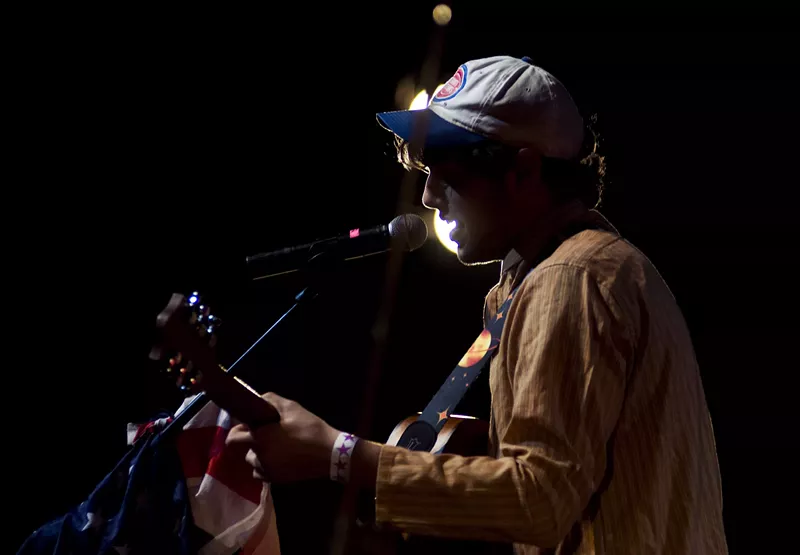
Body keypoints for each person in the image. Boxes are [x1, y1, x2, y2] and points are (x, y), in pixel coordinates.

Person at [227, 55, 728, 554]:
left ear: (523, 171)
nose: (427, 195)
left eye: (446, 168)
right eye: (424, 170)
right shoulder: (572, 272)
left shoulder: (568, 280)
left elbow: (539, 500)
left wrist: (336, 455)